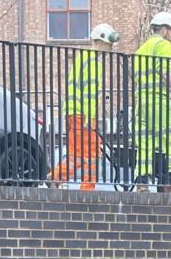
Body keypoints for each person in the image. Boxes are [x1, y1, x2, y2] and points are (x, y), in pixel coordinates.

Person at [49, 23, 120, 190]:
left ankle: (55, 178)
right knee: (92, 152)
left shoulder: (82, 57)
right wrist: (90, 118)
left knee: (77, 154)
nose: (111, 48)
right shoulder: (94, 62)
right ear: (101, 41)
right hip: (83, 114)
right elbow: (90, 93)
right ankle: (87, 189)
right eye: (109, 44)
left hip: (72, 112)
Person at [133, 11, 171, 193]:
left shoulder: (141, 49)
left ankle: (142, 184)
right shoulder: (164, 45)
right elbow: (165, 73)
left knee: (145, 143)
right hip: (158, 101)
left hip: (141, 101)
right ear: (165, 30)